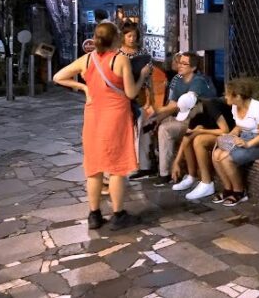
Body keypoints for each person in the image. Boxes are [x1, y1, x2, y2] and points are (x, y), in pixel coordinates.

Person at [52, 21, 142, 231]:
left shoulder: (87, 59)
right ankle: (118, 214)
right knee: (117, 167)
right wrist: (142, 77)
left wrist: (83, 86)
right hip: (116, 117)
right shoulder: (120, 60)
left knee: (94, 168)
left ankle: (94, 215)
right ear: (117, 38)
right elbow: (130, 93)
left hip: (93, 117)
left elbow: (58, 77)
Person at [151, 52, 217, 185]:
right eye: (179, 62)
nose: (180, 66)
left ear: (193, 68)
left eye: (184, 64)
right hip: (183, 116)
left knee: (165, 128)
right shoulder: (179, 80)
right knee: (154, 122)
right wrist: (155, 119)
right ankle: (149, 164)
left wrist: (155, 111)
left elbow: (177, 106)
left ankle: (165, 174)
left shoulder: (198, 81)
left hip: (198, 121)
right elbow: (171, 106)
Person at [211, 78, 259, 206]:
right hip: (241, 138)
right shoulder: (235, 106)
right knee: (216, 154)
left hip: (257, 142)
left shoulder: (256, 107)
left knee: (226, 158)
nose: (225, 96)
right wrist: (230, 135)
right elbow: (239, 126)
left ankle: (239, 191)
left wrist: (248, 144)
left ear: (237, 96)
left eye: (228, 94)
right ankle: (228, 189)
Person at [169, 92, 233, 201]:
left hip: (232, 136)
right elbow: (186, 137)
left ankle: (206, 183)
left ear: (194, 107)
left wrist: (200, 131)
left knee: (199, 140)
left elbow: (225, 130)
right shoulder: (196, 112)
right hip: (219, 135)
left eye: (188, 113)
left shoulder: (211, 105)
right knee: (189, 138)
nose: (188, 116)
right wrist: (176, 162)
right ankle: (191, 176)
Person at [117, 22, 156, 179]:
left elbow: (149, 78)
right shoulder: (118, 54)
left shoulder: (143, 53)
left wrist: (149, 98)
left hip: (140, 94)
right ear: (123, 37)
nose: (132, 39)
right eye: (129, 36)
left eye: (134, 36)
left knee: (141, 128)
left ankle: (142, 164)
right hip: (122, 95)